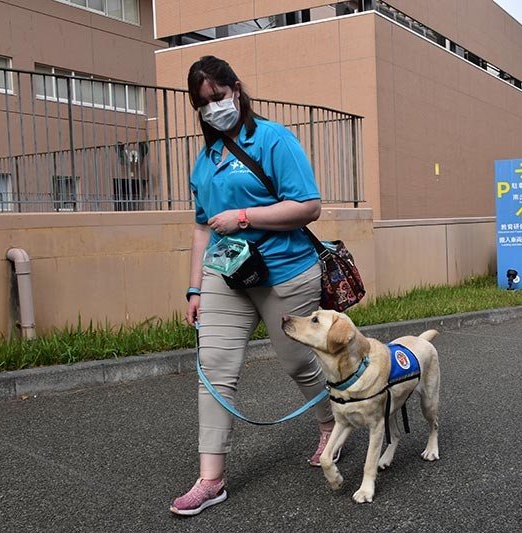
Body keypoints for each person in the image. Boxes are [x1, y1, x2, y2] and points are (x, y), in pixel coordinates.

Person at [171, 55, 337, 516]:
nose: (212, 109)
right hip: (227, 275)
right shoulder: (205, 161)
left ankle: (331, 425)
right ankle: (210, 480)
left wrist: (244, 217)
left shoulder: (273, 139)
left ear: (236, 90)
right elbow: (202, 228)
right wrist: (194, 289)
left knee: (298, 362)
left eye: (218, 97)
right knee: (215, 370)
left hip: (285, 270)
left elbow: (308, 206)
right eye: (202, 104)